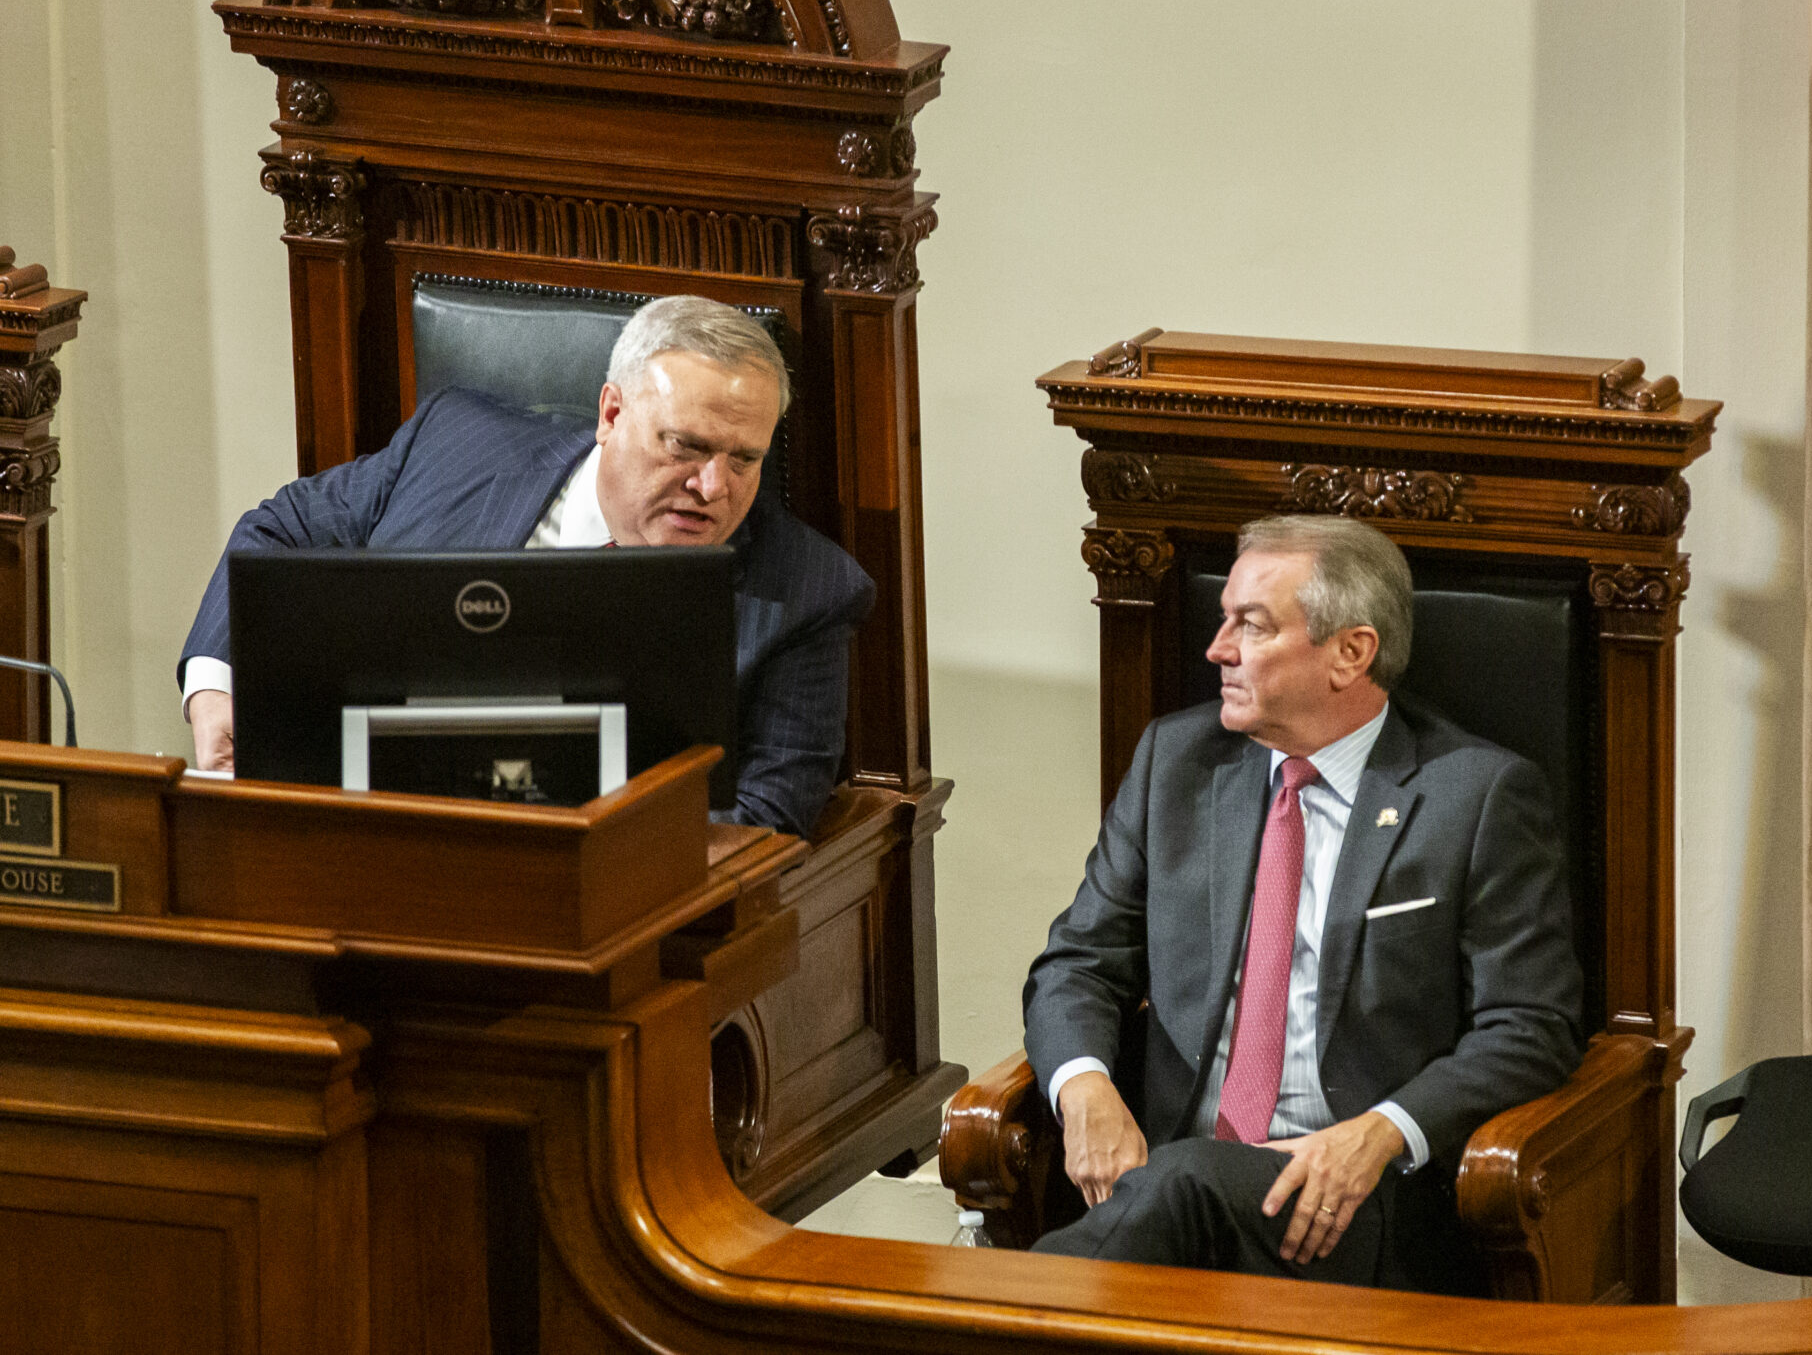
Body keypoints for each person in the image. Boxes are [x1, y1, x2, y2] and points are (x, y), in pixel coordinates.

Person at [1022, 514, 1582, 1293]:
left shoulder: (1476, 797)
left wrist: (1382, 1133)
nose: (1217, 649)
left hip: (1350, 1196)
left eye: (1250, 625)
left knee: (1182, 1186)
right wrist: (1084, 1086)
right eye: (1224, 620)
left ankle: (981, 1313)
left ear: (1351, 652)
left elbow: (1531, 1026)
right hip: (1160, 1171)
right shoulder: (1176, 764)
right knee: (1179, 1184)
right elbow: (1080, 960)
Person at [178, 295, 872, 838]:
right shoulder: (455, 444)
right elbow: (282, 529)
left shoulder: (805, 594)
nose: (714, 487)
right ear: (611, 411)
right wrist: (215, 687)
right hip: (357, 838)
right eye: (686, 447)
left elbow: (759, 822)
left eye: (744, 459)